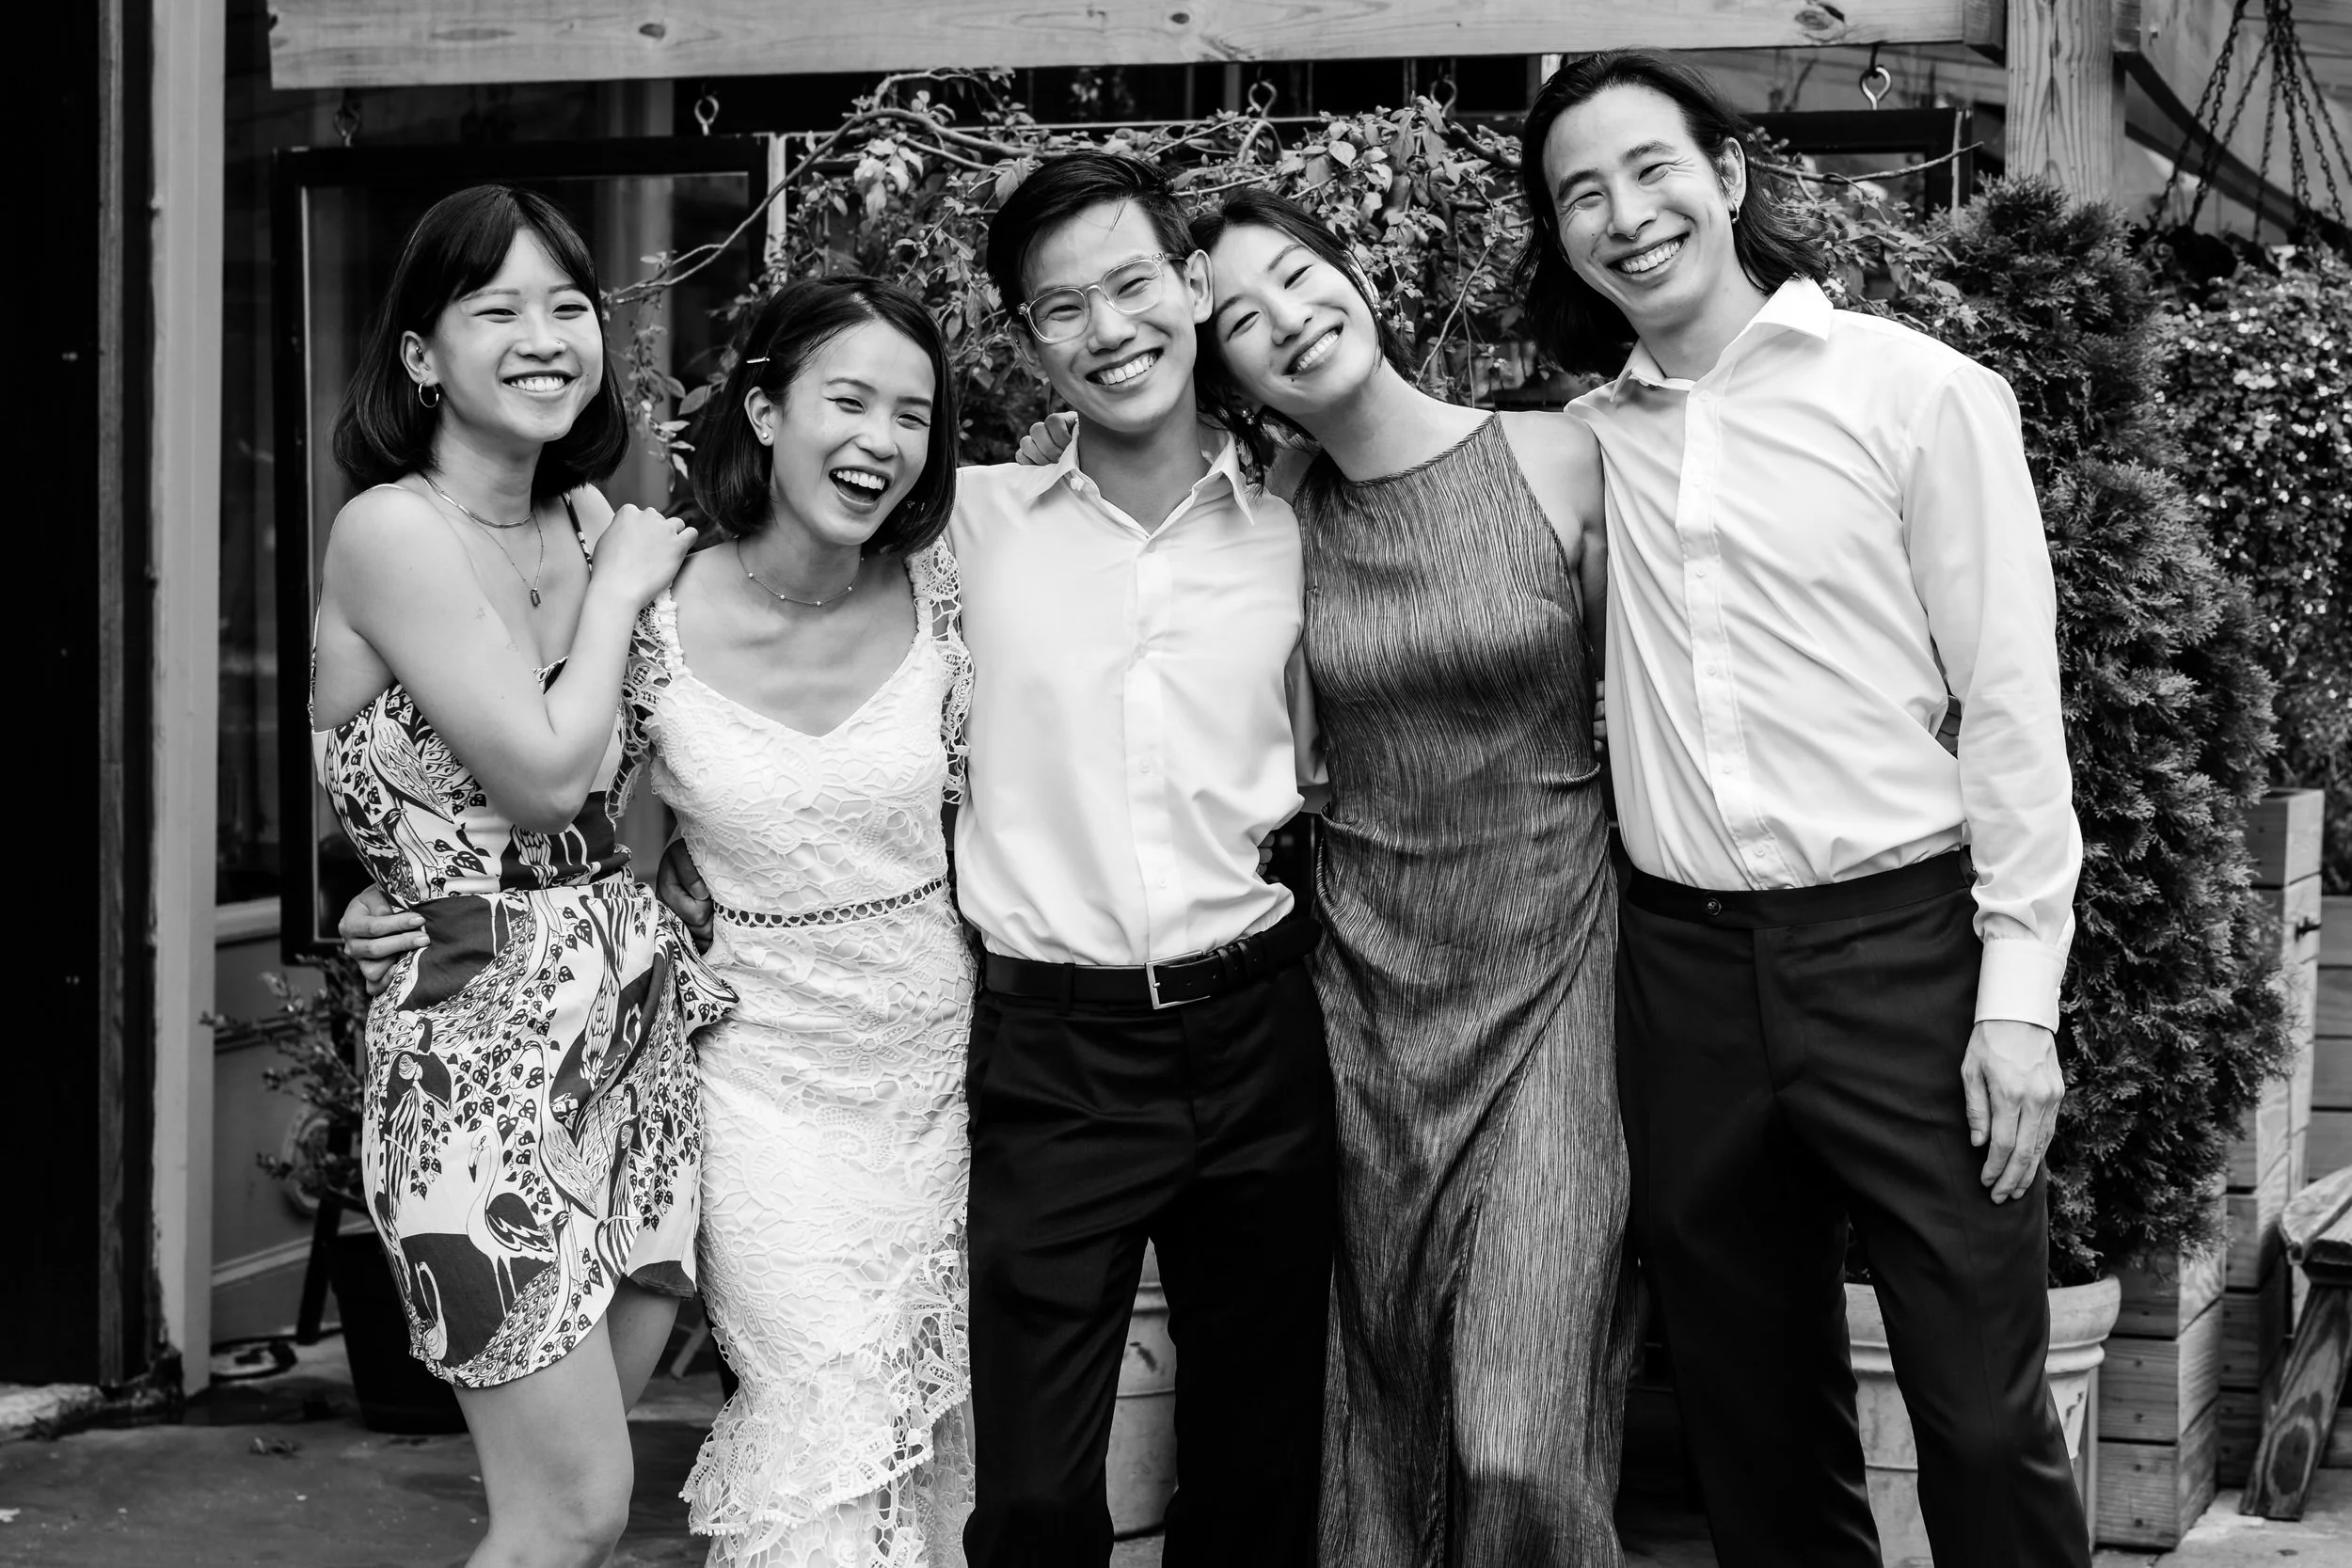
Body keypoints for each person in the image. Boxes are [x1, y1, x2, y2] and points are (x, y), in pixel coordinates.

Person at [660, 151, 1337, 1568]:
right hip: (1054, 1052)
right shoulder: (959, 527)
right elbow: (773, 659)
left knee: (1257, 1473)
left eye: (1133, 285)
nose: (1111, 330)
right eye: (1063, 308)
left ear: (1192, 286)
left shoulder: (1296, 521)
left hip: (1260, 1028)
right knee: (1027, 1498)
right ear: (1030, 345)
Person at [1520, 51, 2087, 1568]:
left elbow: (2011, 707)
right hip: (1685, 976)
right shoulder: (1586, 445)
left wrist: (2018, 1001)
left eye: (1652, 168)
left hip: (1901, 957)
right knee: (1754, 1434)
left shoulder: (1916, 393)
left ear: (1728, 176)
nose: (1626, 214)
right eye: (1582, 194)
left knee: (1983, 1421)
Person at [1196, 189, 1633, 1565]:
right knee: (1377, 1402)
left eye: (1297, 274)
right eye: (1241, 320)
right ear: (1231, 376)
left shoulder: (1559, 455)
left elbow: (1655, 707)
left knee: (1518, 1431)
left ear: (1357, 272)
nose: (1287, 320)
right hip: (1366, 1001)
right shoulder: (1272, 519)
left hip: (1559, 970)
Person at [310, 183, 725, 1568]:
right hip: (477, 1074)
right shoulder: (392, 532)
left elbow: (632, 782)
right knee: (571, 1511)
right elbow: (542, 779)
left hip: (631, 1045)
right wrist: (622, 592)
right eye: (497, 310)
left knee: (577, 1520)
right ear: (420, 354)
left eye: (568, 306)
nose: (545, 337)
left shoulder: (590, 515)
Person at [614, 276, 976, 1566]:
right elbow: (549, 819)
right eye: (850, 401)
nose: (883, 440)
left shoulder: (949, 592)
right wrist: (394, 895)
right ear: (766, 411)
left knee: (941, 1447)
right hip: (758, 1083)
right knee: (821, 1428)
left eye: (914, 416)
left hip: (945, 1081)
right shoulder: (648, 608)